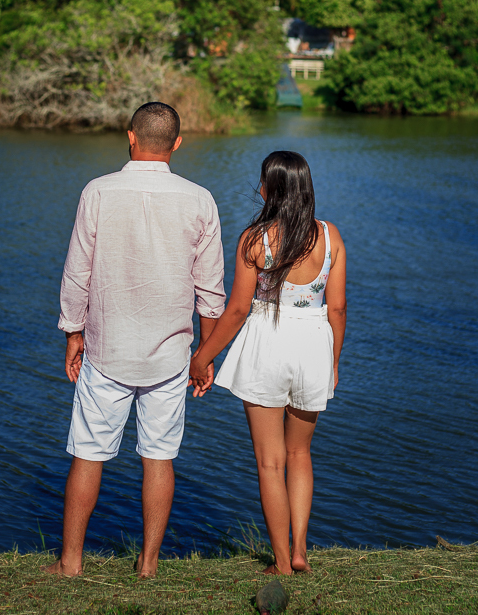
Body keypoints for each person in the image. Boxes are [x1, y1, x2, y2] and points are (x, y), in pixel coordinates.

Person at [46, 102, 226, 579]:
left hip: (107, 349)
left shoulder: (98, 191)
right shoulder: (200, 200)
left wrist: (73, 332)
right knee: (159, 458)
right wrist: (205, 357)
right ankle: (147, 565)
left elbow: (77, 272)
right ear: (177, 144)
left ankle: (71, 562)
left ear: (130, 137)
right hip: (171, 355)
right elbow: (210, 293)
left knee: (88, 454)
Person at [189, 150, 346, 576]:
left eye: (263, 182)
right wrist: (332, 363)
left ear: (272, 190)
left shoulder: (254, 240)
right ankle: (300, 551)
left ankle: (280, 562)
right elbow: (337, 309)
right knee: (300, 453)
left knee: (270, 462)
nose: (258, 188)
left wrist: (203, 357)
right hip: (313, 348)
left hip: (267, 346)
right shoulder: (330, 236)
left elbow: (238, 309)